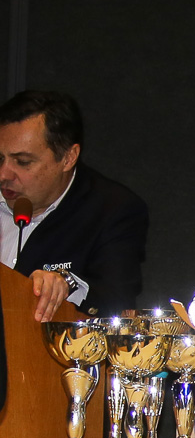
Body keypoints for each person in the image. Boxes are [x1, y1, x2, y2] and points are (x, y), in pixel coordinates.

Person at [0, 90, 149, 320]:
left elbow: (116, 306)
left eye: (23, 162)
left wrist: (67, 284)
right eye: (0, 158)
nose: (4, 174)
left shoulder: (112, 210)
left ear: (68, 158)